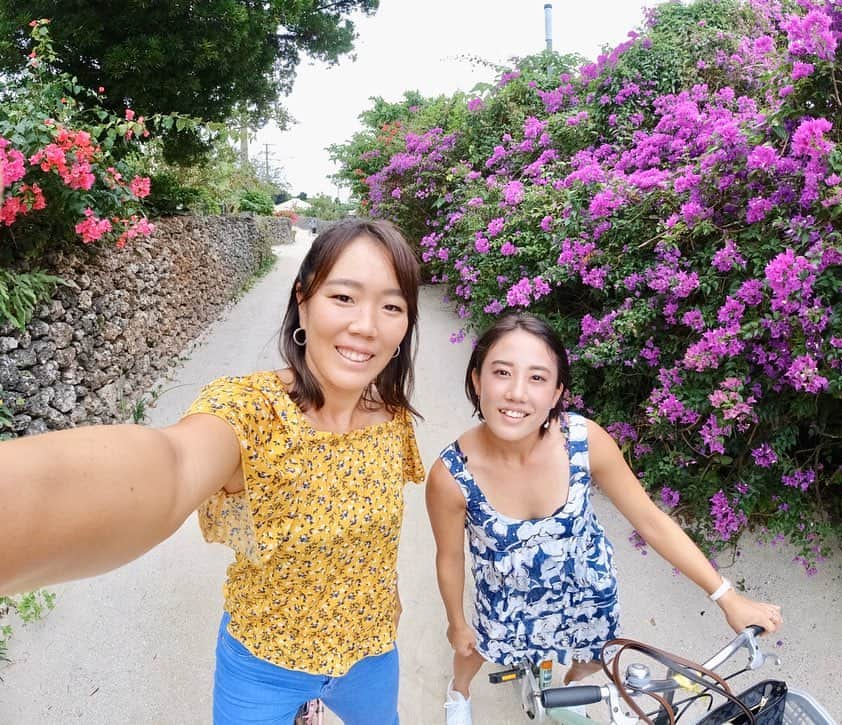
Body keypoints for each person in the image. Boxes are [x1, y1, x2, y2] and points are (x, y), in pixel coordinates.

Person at [0, 218, 425, 725]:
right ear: (303, 301)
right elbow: (172, 466)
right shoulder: (250, 410)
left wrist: (390, 601)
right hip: (264, 662)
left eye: (392, 306)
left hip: (372, 652)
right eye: (343, 297)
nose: (367, 325)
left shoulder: (392, 418)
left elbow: (378, 537)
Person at [425, 312, 783, 725]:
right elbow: (449, 557)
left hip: (587, 591)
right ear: (476, 380)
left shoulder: (584, 440)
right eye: (502, 372)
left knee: (594, 660)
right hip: (507, 600)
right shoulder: (451, 476)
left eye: (538, 378)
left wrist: (727, 597)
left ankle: (571, 693)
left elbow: (649, 519)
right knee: (473, 651)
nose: (517, 393)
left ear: (558, 391)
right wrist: (456, 622)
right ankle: (459, 693)